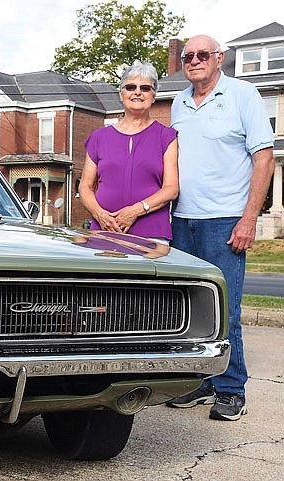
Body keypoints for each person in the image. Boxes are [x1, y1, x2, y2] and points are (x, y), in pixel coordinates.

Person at [165, 35, 275, 421]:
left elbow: (264, 160)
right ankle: (200, 383)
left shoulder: (244, 95)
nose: (194, 60)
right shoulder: (178, 101)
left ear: (219, 59)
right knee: (189, 309)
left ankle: (231, 389)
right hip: (182, 219)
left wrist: (250, 218)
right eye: (188, 56)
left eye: (202, 55)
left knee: (224, 310)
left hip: (226, 220)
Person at [79, 61, 179, 243]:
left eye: (145, 88)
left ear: (154, 96)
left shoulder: (166, 136)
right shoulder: (99, 137)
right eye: (131, 87)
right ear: (121, 93)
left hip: (152, 235)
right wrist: (100, 215)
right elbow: (85, 186)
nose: (138, 92)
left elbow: (171, 189)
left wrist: (136, 211)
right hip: (104, 232)